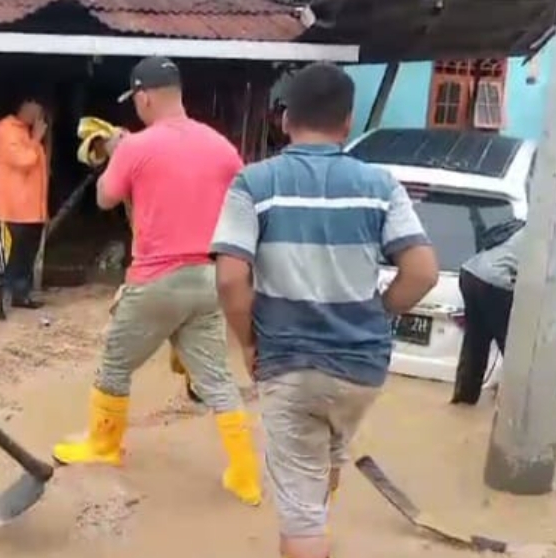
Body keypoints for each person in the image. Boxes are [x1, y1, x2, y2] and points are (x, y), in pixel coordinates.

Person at [211, 62, 438, 558]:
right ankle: (319, 535)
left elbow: (230, 278)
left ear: (285, 118)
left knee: (300, 517)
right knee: (323, 465)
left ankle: (310, 540)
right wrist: (376, 315)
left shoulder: (255, 183)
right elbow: (421, 271)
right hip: (362, 368)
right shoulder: (380, 186)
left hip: (291, 364)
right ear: (348, 121)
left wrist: (249, 341)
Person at [51, 56, 263, 507]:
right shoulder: (222, 147)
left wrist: (115, 153)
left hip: (157, 279)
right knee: (217, 378)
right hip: (209, 279)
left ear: (144, 96)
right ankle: (245, 472)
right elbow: (239, 200)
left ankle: (104, 445)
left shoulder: (136, 147)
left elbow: (107, 197)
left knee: (114, 363)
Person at [450, 223, 525, 405]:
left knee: (475, 341)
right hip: (495, 282)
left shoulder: (522, 227)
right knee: (515, 347)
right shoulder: (549, 238)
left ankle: (463, 400)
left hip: (470, 273)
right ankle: (522, 406)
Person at [0, 95, 49, 309]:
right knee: (12, 256)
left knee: (27, 255)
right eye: (35, 109)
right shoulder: (7, 130)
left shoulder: (25, 131)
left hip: (32, 208)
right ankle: (1, 300)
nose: (38, 115)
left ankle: (21, 294)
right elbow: (23, 161)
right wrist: (36, 139)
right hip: (14, 208)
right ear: (24, 106)